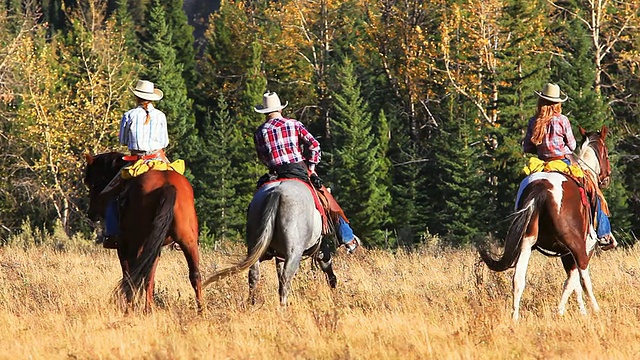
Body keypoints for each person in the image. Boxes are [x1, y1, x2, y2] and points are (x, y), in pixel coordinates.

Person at [253, 91, 360, 253]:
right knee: (327, 200)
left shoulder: (259, 132)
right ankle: (347, 238)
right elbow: (314, 145)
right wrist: (311, 168)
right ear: (280, 109)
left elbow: (262, 156)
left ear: (264, 113)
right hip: (297, 170)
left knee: (256, 205)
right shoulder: (293, 124)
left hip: (274, 173)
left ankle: (260, 242)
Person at [523, 82, 615, 249]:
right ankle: (603, 234)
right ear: (558, 103)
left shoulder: (533, 121)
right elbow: (572, 146)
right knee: (592, 189)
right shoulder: (562, 120)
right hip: (562, 162)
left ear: (541, 102)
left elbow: (527, 147)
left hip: (541, 164)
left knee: (523, 190)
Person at [101, 80, 170, 248]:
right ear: (152, 98)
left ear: (136, 97)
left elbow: (123, 140)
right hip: (159, 161)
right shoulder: (161, 116)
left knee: (111, 194)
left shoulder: (129, 115)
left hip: (138, 162)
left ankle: (112, 234)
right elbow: (165, 142)